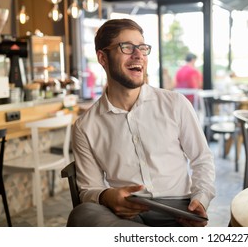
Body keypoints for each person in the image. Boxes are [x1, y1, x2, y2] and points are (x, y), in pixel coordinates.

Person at [67, 18, 215, 227]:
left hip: (178, 210)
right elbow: (89, 189)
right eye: (126, 47)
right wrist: (108, 197)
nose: (138, 55)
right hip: (126, 214)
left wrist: (200, 198)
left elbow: (202, 159)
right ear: (103, 57)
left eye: (143, 48)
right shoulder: (85, 126)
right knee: (83, 213)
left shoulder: (175, 104)